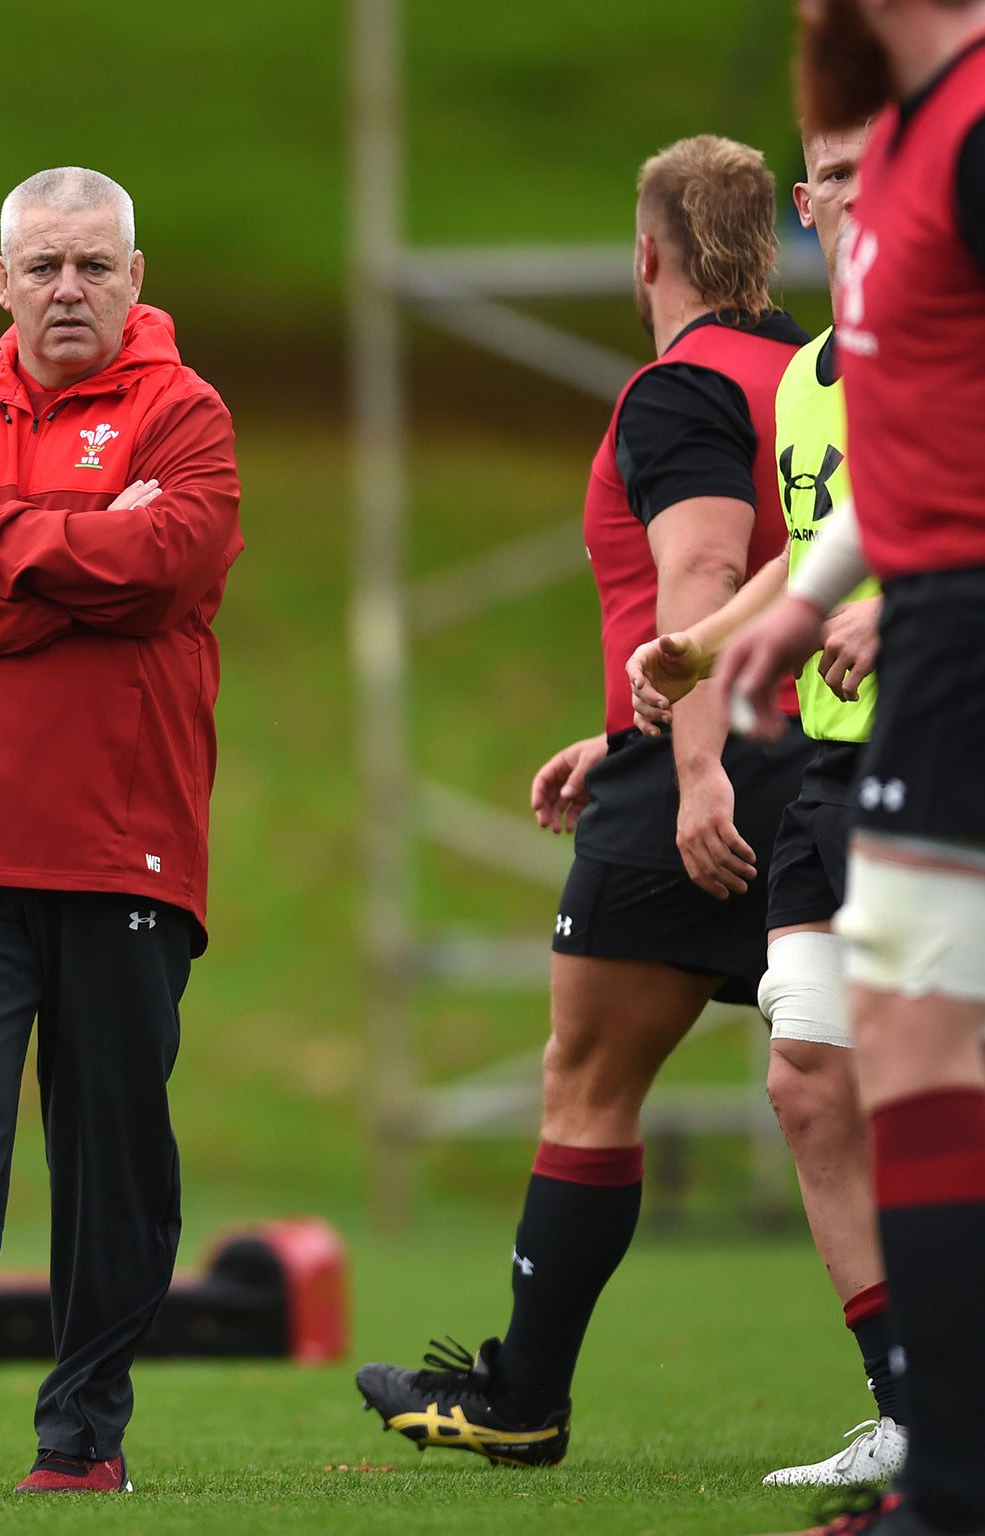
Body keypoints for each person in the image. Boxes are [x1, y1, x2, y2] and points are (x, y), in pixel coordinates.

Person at [628, 115, 985, 1492]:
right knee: (811, 1074)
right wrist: (699, 653)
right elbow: (838, 542)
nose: (848, 193)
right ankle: (919, 1413)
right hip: (836, 768)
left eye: (873, 166)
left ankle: (941, 1430)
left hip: (968, 741)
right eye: (826, 172)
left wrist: (910, 618)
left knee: (956, 1062)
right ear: (804, 209)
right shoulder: (823, 374)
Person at [354, 136, 814, 1466]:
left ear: (648, 254)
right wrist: (617, 733)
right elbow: (794, 578)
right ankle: (931, 1387)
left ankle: (522, 1398)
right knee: (906, 1081)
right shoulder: (819, 377)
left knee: (589, 1078)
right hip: (837, 758)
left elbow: (704, 579)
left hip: (718, 774)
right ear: (772, 250)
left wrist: (682, 768)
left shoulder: (680, 390)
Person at [0, 166, 241, 1499]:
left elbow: (169, 568)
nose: (69, 288)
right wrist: (72, 562)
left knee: (112, 1160)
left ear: (137, 277)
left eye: (94, 266)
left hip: (121, 847)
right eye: (44, 267)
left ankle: (82, 1443)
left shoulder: (185, 413)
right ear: (1, 282)